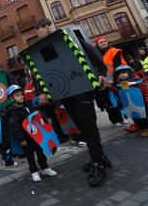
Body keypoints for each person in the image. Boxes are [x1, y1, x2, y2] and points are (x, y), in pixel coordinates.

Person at [34, 17, 111, 187]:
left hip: (82, 86)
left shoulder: (66, 37)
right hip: (64, 92)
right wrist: (41, 92)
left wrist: (102, 71)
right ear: (37, 31)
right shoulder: (39, 50)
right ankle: (100, 157)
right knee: (81, 125)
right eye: (43, 27)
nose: (48, 28)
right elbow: (42, 71)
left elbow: (92, 52)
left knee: (88, 124)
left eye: (50, 25)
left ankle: (98, 164)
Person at [7, 85, 57, 182]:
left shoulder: (28, 105)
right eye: (17, 95)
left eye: (21, 94)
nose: (21, 96)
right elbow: (15, 127)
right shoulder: (13, 111)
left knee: (40, 152)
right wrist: (22, 139)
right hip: (26, 138)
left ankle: (44, 168)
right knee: (30, 155)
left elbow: (37, 117)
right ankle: (34, 171)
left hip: (36, 135)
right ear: (11, 98)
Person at [111, 65, 148, 136]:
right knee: (135, 116)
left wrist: (147, 101)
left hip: (142, 104)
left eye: (124, 73)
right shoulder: (121, 84)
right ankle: (139, 126)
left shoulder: (137, 82)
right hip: (131, 104)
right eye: (119, 74)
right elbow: (118, 91)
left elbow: (145, 92)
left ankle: (146, 129)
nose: (121, 75)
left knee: (143, 117)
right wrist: (111, 87)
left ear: (129, 73)